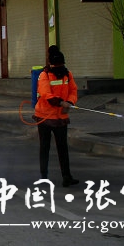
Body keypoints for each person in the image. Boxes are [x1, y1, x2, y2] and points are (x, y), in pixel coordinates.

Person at [34, 45, 80, 188]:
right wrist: (61, 103)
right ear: (52, 63)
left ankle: (67, 177)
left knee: (62, 148)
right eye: (57, 64)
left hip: (60, 118)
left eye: (61, 64)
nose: (60, 67)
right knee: (45, 147)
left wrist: (70, 102)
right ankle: (44, 176)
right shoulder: (44, 75)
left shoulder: (68, 74)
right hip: (45, 117)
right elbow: (46, 94)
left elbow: (73, 90)